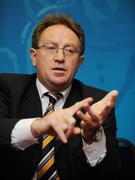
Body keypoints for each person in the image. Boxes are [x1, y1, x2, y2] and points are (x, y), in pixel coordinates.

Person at [0, 13, 121, 180]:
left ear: (79, 62)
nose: (59, 58)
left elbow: (112, 173)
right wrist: (38, 126)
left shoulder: (96, 103)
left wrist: (92, 136)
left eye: (70, 51)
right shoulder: (6, 87)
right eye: (50, 48)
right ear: (34, 56)